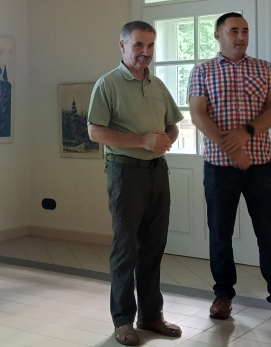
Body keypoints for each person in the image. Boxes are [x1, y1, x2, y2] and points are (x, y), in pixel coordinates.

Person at [186, 12, 271, 331]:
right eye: (233, 31)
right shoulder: (202, 71)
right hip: (219, 168)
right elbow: (198, 115)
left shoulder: (264, 68)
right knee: (219, 236)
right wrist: (232, 148)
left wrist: (246, 133)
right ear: (218, 35)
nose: (241, 36)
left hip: (261, 166)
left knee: (270, 237)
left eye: (245, 31)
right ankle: (223, 296)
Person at [87, 20, 184, 346]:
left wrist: (165, 141)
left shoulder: (157, 85)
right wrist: (142, 141)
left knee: (154, 247)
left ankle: (151, 316)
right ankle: (123, 321)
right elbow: (95, 132)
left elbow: (173, 126)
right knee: (126, 249)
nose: (145, 52)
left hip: (157, 172)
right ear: (123, 46)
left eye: (150, 45)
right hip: (125, 173)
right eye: (138, 45)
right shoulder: (107, 84)